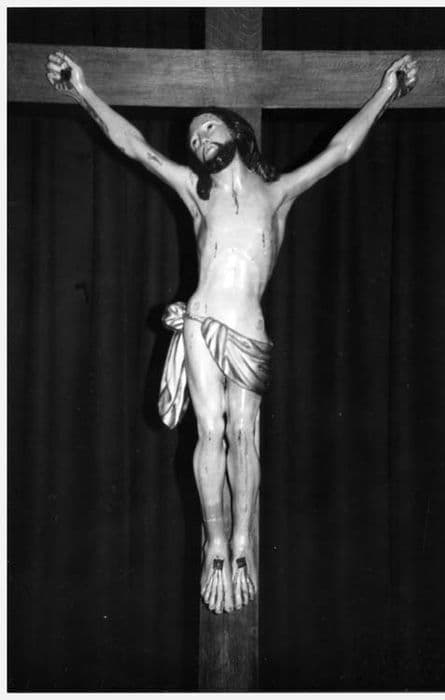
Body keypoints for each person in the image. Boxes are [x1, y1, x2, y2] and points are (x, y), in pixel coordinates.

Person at [46, 51, 418, 615]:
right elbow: (135, 146)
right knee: (210, 431)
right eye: (194, 138)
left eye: (208, 128)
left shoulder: (276, 193)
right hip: (201, 321)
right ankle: (215, 542)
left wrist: (386, 92)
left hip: (249, 327)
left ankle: (242, 539)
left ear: (236, 133)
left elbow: (340, 151)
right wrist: (82, 90)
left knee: (244, 434)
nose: (199, 140)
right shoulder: (196, 194)